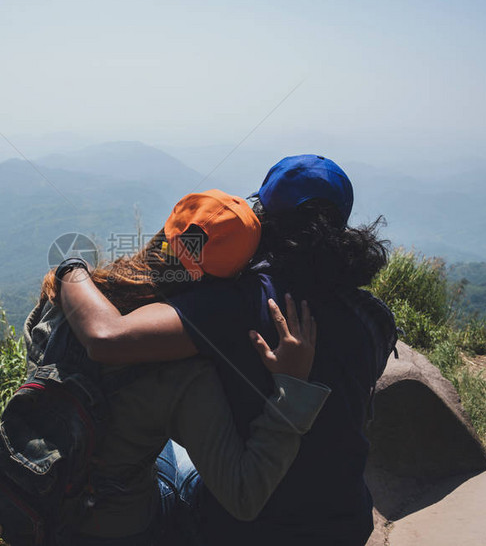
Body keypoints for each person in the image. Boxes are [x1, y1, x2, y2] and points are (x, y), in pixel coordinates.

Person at [59, 155, 391, 545]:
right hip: (345, 523)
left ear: (263, 218)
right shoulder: (373, 318)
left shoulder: (240, 303)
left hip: (248, 528)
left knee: (169, 448)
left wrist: (70, 268)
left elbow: (108, 338)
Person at [28, 189, 331, 545]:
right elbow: (244, 496)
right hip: (118, 528)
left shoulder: (70, 298)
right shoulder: (185, 370)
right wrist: (291, 390)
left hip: (40, 489)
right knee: (187, 464)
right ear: (228, 283)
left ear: (165, 235)